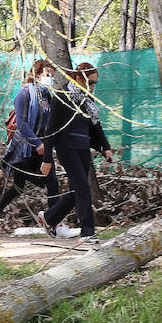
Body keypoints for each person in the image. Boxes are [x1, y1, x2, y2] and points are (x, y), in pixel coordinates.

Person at [0, 59, 63, 236]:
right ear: (37, 75)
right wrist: (37, 143)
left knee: (52, 183)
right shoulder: (24, 94)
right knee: (19, 187)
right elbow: (21, 124)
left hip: (42, 148)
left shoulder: (47, 97)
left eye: (52, 75)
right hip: (25, 148)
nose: (50, 78)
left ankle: (54, 224)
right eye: (47, 74)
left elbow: (50, 123)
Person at [40, 62, 113, 242]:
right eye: (91, 82)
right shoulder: (62, 98)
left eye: (96, 83)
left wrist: (106, 148)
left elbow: (96, 126)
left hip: (83, 148)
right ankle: (88, 232)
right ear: (79, 78)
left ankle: (49, 217)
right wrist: (47, 158)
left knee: (77, 190)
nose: (93, 86)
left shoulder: (88, 101)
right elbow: (51, 130)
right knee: (82, 187)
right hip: (67, 148)